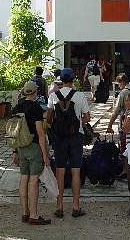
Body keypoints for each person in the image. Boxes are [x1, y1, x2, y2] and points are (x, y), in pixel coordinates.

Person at [46, 68, 90, 218]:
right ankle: (76, 207)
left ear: (61, 80)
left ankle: (59, 207)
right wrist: (77, 123)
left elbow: (49, 118)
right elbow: (87, 117)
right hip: (76, 136)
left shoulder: (53, 96)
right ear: (73, 79)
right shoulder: (80, 96)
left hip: (59, 138)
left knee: (60, 170)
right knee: (76, 170)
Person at [12, 82, 51, 225]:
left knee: (24, 179)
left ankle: (25, 213)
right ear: (35, 92)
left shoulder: (17, 107)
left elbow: (14, 132)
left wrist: (14, 151)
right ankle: (34, 215)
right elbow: (41, 134)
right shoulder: (36, 108)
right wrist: (45, 155)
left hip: (21, 147)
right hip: (33, 147)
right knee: (34, 181)